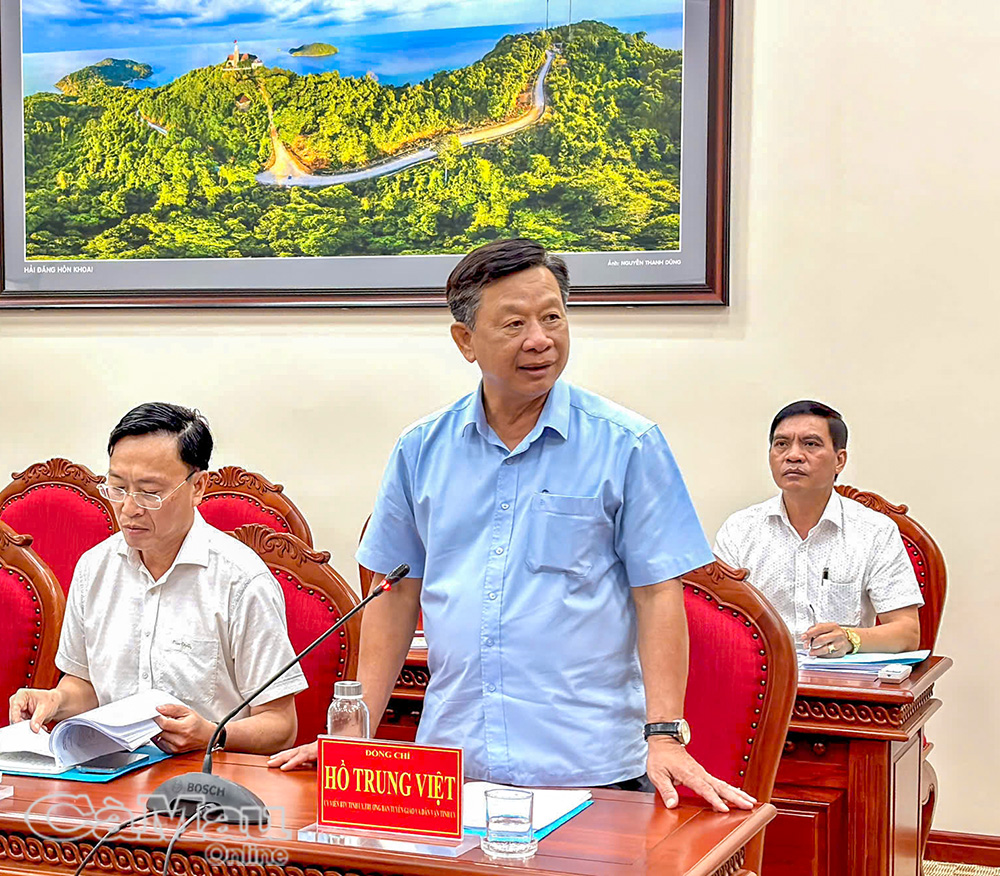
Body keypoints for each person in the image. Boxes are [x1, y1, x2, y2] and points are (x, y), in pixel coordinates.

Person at [270, 238, 754, 814]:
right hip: (455, 761)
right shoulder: (421, 450)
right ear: (465, 340)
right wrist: (356, 733)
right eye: (514, 323)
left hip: (590, 765)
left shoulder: (627, 444)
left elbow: (657, 594)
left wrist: (665, 734)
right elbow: (394, 594)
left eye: (552, 317)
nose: (539, 339)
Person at [8, 403, 307, 754]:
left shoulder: (242, 581)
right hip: (113, 768)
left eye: (150, 493)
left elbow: (280, 725)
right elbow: (85, 685)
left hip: (206, 773)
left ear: (198, 486)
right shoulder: (94, 568)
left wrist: (212, 734)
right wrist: (56, 700)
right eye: (118, 488)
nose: (129, 509)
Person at [714, 400, 922, 657]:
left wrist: (850, 638)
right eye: (781, 444)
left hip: (840, 678)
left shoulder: (874, 531)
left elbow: (907, 633)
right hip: (762, 674)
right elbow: (717, 622)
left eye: (810, 444)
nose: (793, 455)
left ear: (839, 460)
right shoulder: (739, 530)